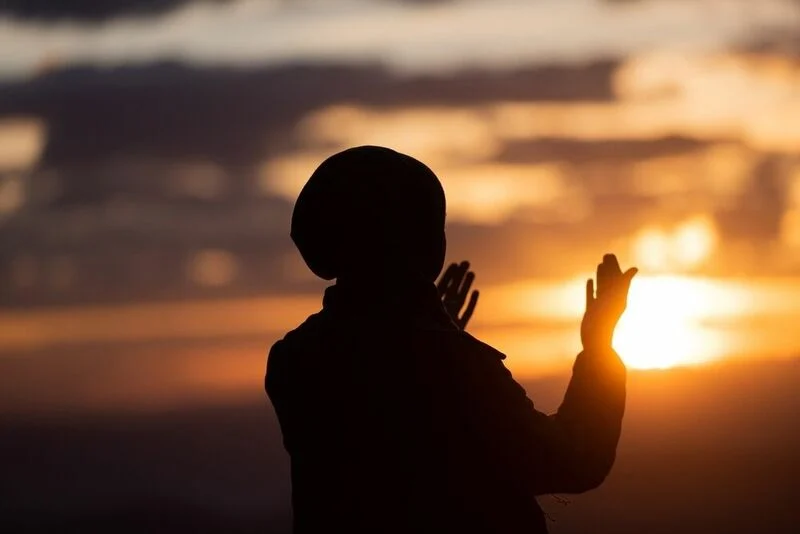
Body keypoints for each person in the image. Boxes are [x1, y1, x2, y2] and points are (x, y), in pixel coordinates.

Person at [266, 145, 636, 534]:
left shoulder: (295, 358)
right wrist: (598, 349)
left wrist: (438, 331)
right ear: (424, 245)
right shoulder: (458, 367)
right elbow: (572, 461)